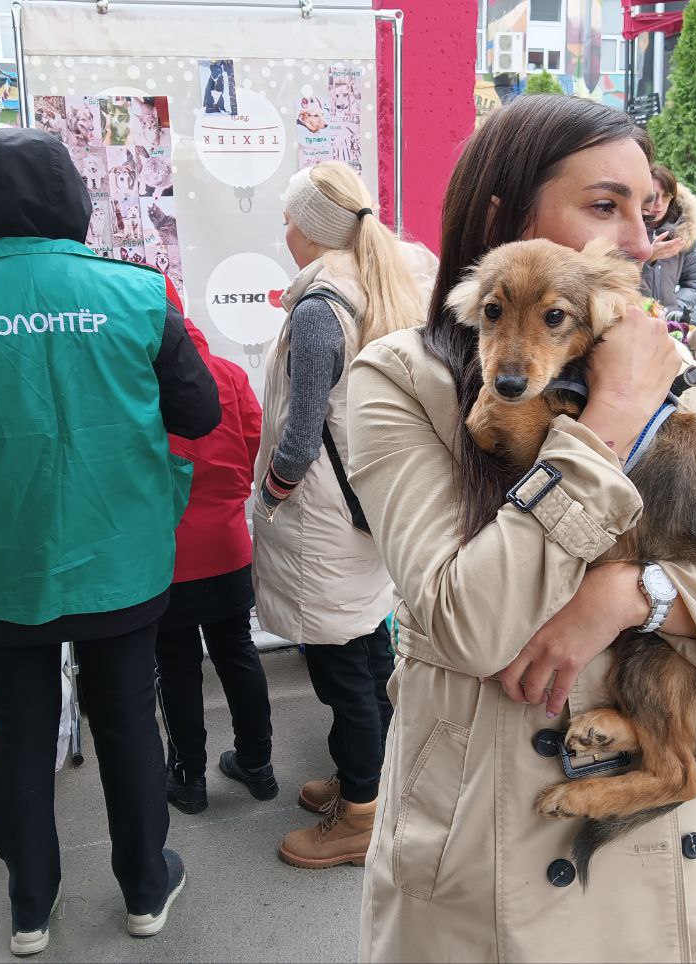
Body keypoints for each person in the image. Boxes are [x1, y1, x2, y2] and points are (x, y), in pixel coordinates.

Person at [345, 94, 696, 963]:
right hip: (490, 835)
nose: (632, 236)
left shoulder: (671, 367)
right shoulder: (402, 380)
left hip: (669, 859)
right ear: (503, 218)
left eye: (644, 208)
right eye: (602, 205)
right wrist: (613, 412)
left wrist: (639, 596)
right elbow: (471, 623)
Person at [0, 128, 220, 956]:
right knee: (130, 722)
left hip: (1, 564)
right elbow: (200, 415)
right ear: (76, 196)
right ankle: (145, 889)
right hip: (122, 554)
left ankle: (30, 906)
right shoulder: (141, 294)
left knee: (21, 731)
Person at [252, 161, 437, 870]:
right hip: (372, 505)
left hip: (324, 514)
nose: (286, 228)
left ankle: (359, 814)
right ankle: (374, 781)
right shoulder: (388, 285)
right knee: (366, 647)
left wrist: (267, 498)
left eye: (293, 217)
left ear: (317, 232)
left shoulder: (318, 309)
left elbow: (298, 440)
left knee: (340, 670)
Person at [157, 296, 274, 816]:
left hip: (165, 553)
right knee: (238, 653)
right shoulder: (226, 373)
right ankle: (258, 764)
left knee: (176, 666)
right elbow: (256, 444)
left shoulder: (134, 383)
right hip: (228, 545)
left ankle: (189, 780)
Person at [639, 163, 696, 314]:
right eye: (653, 196)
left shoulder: (683, 232)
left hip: (668, 326)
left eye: (666, 196)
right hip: (632, 323)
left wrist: (676, 308)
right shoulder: (625, 232)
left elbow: (694, 282)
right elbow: (613, 284)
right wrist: (649, 259)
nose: (660, 204)